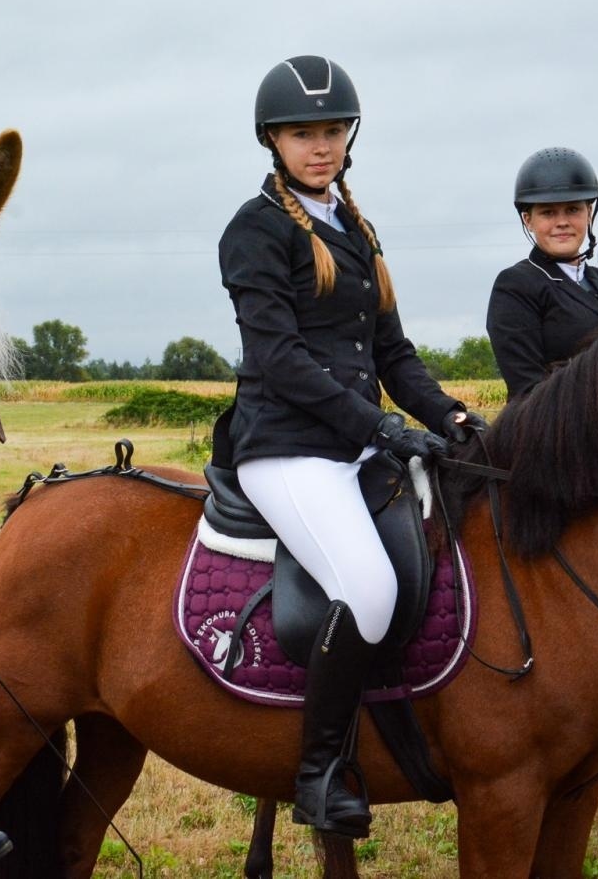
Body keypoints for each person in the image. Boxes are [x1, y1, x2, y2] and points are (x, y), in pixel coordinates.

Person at [218, 55, 479, 839]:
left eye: (332, 131)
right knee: (366, 588)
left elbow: (392, 355)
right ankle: (319, 772)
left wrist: (451, 415)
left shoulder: (355, 229)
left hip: (354, 445)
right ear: (273, 139)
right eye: (304, 133)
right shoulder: (254, 230)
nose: (320, 146)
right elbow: (281, 360)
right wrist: (381, 428)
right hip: (286, 448)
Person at [485, 147, 598, 401]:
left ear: (589, 213)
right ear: (527, 220)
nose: (562, 222)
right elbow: (527, 389)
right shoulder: (515, 286)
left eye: (573, 209)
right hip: (554, 432)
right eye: (548, 212)